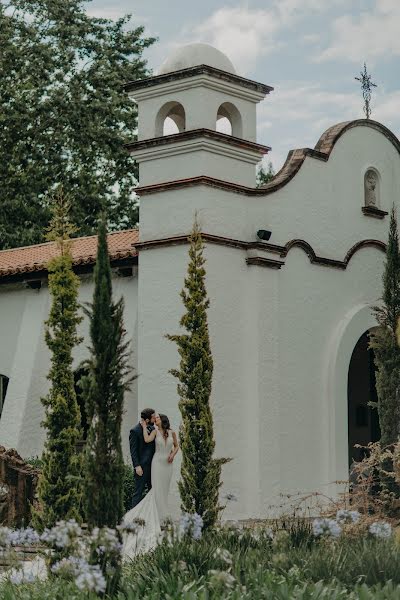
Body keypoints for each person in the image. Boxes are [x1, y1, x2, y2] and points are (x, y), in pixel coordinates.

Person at [122, 413, 179, 559]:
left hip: (167, 465)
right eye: (155, 418)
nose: (156, 420)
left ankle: (162, 516)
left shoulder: (172, 432)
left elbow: (177, 446)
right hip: (157, 464)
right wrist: (142, 427)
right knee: (156, 490)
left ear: (164, 420)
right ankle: (154, 518)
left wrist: (173, 454)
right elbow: (147, 440)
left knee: (164, 491)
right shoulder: (154, 430)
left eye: (158, 418)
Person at [129, 408, 156, 508]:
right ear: (148, 420)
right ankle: (132, 520)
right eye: (153, 417)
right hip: (142, 467)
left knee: (153, 493)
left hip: (153, 467)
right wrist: (137, 466)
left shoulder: (152, 429)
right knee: (138, 493)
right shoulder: (135, 431)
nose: (155, 419)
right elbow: (133, 451)